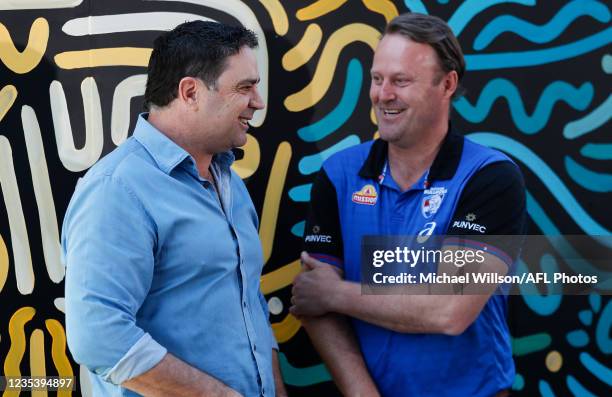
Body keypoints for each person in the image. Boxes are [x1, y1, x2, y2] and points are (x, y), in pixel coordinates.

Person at [291, 13, 527, 397]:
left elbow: (450, 311)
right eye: (377, 78)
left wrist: (336, 294)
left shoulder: (490, 176)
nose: (383, 95)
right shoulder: (338, 175)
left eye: (401, 81)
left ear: (447, 84)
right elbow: (318, 311)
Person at [63, 21, 286, 397]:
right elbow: (99, 336)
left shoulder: (231, 184)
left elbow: (251, 307)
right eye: (245, 87)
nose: (258, 101)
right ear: (190, 92)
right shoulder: (117, 189)